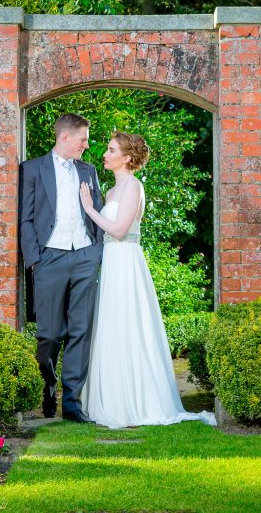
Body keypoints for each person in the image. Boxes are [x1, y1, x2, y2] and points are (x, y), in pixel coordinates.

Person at [78, 132, 216, 429]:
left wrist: (89, 209)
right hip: (112, 263)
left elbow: (118, 229)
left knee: (129, 325)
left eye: (111, 149)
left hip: (126, 262)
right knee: (112, 326)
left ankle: (136, 402)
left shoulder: (133, 187)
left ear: (126, 158)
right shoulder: (113, 190)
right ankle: (114, 398)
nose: (104, 153)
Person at [18, 113, 104, 423]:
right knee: (49, 334)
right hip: (49, 259)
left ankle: (71, 403)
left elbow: (96, 212)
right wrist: (34, 259)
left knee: (81, 331)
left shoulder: (89, 171)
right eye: (83, 138)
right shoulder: (32, 169)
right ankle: (48, 384)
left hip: (84, 257)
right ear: (65, 137)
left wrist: (96, 252)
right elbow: (25, 219)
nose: (87, 143)